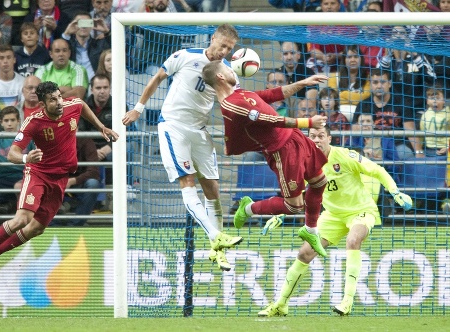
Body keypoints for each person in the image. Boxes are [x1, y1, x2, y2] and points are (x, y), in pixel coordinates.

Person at [0, 81, 118, 282]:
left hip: (60, 179)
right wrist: (27, 158)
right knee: (22, 219)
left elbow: (81, 104)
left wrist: (101, 127)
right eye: (53, 100)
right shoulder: (33, 121)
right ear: (43, 104)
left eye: (59, 97)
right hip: (38, 174)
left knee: (37, 228)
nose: (59, 102)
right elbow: (13, 153)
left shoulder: (71, 106)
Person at [122, 24, 243, 272]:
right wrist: (138, 108)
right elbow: (157, 79)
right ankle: (215, 235)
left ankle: (217, 250)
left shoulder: (229, 72)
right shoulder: (185, 56)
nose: (224, 51)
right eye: (222, 45)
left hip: (199, 130)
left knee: (213, 190)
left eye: (229, 49)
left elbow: (231, 104)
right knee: (187, 181)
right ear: (213, 39)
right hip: (173, 126)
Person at [257, 126, 412, 317]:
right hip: (332, 215)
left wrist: (394, 191)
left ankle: (347, 300)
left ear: (329, 138)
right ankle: (281, 304)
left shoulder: (346, 156)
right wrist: (279, 215)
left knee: (353, 241)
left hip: (361, 210)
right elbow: (297, 194)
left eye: (321, 136)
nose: (316, 140)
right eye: (312, 136)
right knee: (304, 253)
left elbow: (378, 170)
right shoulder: (304, 163)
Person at [202, 60, 330, 257]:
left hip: (295, 138)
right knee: (294, 206)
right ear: (220, 77)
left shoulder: (240, 94)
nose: (232, 70)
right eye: (227, 69)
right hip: (282, 151)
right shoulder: (230, 105)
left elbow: (273, 95)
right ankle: (249, 208)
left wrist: (303, 82)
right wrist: (308, 122)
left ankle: (310, 230)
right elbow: (270, 119)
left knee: (320, 182)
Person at [352, 68, 423, 160]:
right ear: (370, 85)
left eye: (382, 82)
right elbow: (355, 131)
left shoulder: (402, 102)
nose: (379, 86)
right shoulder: (363, 105)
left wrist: (419, 152)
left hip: (397, 145)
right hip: (371, 145)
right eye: (375, 82)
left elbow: (410, 130)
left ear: (389, 83)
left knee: (405, 154)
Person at [51, 135, 101, 226]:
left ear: (77, 128)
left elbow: (94, 172)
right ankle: (52, 224)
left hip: (81, 181)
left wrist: (72, 181)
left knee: (93, 184)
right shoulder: (53, 141)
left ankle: (76, 224)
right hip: (59, 179)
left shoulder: (87, 141)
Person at [61, 11, 111, 81]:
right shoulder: (68, 46)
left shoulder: (99, 45)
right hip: (72, 84)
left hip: (95, 86)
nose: (83, 26)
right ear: (73, 25)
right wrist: (66, 33)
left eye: (86, 23)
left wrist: (106, 32)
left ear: (91, 25)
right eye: (80, 23)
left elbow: (116, 49)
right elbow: (58, 51)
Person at [0, 44, 25, 109]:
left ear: (14, 60)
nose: (5, 61)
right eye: (1, 58)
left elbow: (23, 108)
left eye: (8, 57)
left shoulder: (23, 82)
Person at [419, 87, 450, 158]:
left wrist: (447, 147)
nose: (435, 101)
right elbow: (421, 135)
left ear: (444, 101)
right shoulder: (425, 115)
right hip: (429, 149)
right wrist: (420, 150)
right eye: (432, 98)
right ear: (427, 101)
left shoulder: (448, 114)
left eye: (438, 98)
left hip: (446, 148)